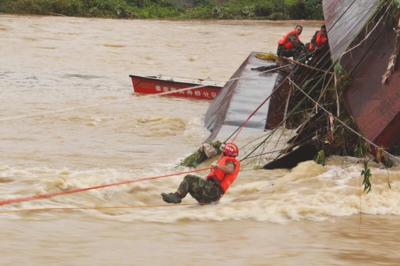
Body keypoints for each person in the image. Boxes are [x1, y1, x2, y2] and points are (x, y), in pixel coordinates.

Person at [161, 143, 241, 204]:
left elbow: (230, 170)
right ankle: (175, 196)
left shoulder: (230, 162)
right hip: (212, 195)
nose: (221, 154)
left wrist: (217, 166)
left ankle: (176, 196)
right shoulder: (226, 160)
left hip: (214, 191)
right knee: (190, 185)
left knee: (189, 178)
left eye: (222, 152)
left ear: (226, 153)